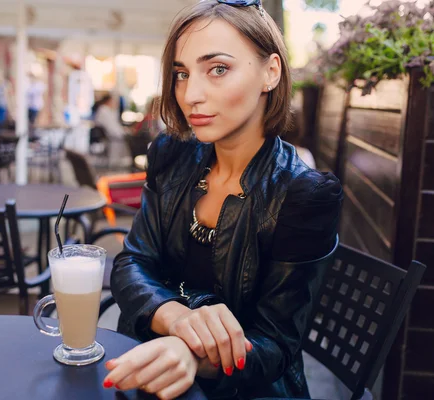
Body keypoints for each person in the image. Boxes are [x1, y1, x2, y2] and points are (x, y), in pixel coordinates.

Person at [105, 1, 343, 399]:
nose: (190, 94)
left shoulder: (305, 195)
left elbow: (276, 344)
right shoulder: (171, 153)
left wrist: (191, 353)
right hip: (149, 365)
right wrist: (179, 320)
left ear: (271, 72)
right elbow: (132, 262)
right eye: (181, 73)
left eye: (218, 69)